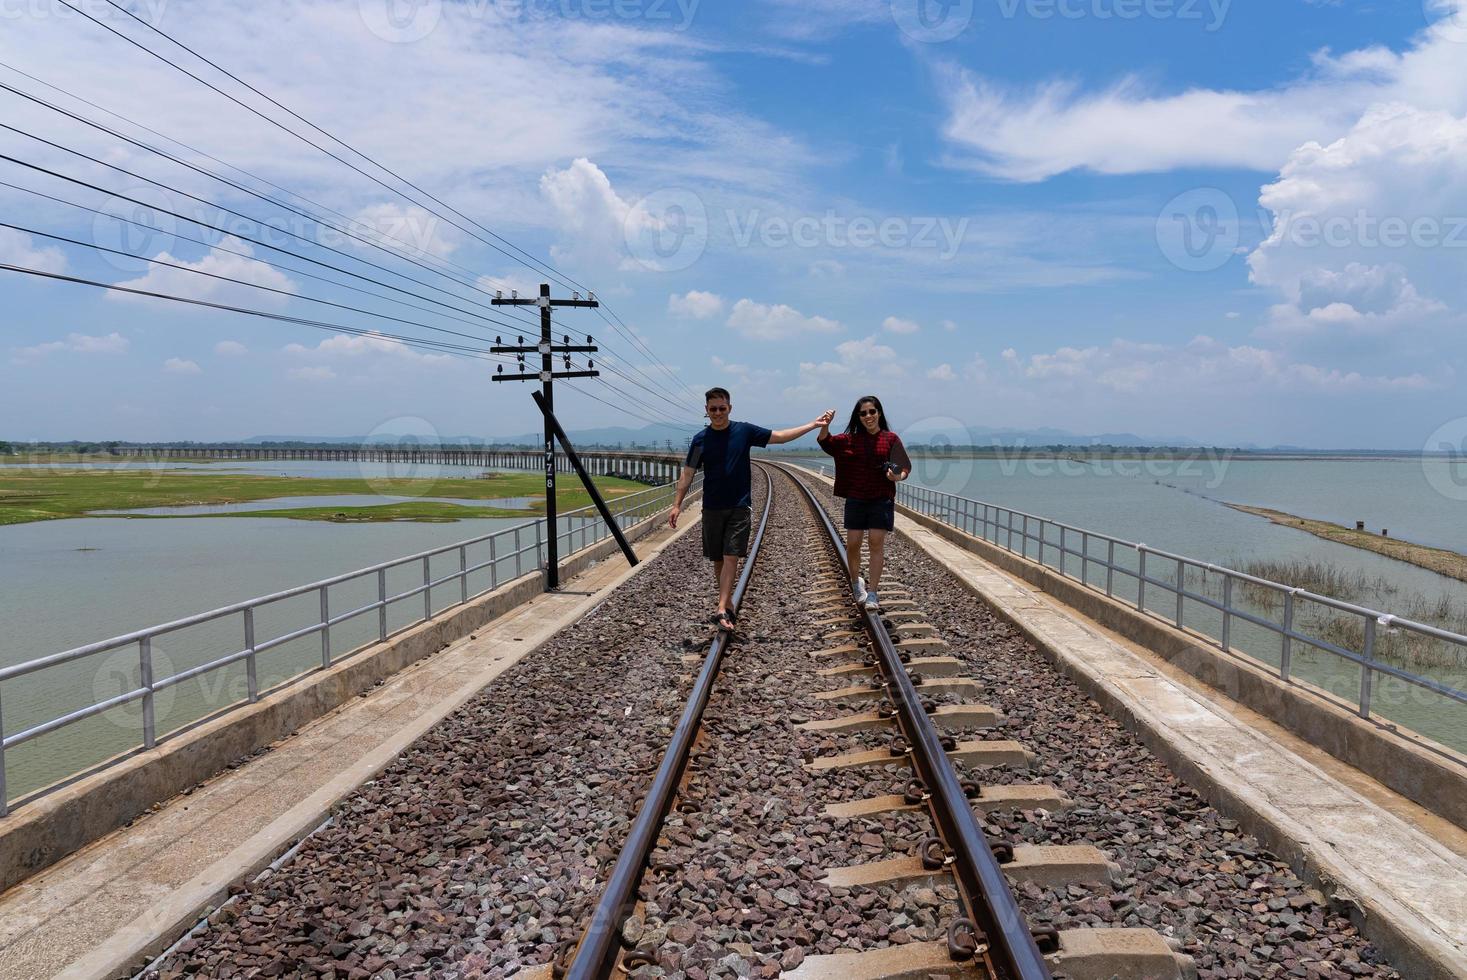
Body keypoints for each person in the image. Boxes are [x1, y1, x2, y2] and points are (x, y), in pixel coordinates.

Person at [671, 387, 834, 631]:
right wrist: (676, 505)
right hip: (712, 507)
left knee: (731, 555)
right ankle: (727, 603)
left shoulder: (743, 431)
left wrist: (812, 425)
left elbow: (780, 436)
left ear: (730, 408)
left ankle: (721, 608)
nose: (717, 413)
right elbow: (688, 473)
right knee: (718, 559)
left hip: (739, 505)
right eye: (713, 409)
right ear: (706, 410)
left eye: (722, 408)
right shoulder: (700, 440)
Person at [817, 395, 910, 609]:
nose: (868, 416)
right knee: (853, 544)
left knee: (876, 544)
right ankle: (856, 583)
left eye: (872, 411)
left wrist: (897, 477)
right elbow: (826, 443)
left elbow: (905, 467)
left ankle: (873, 593)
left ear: (879, 413)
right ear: (858, 417)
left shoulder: (891, 439)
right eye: (863, 413)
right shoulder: (850, 439)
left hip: (881, 499)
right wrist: (825, 425)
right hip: (856, 498)